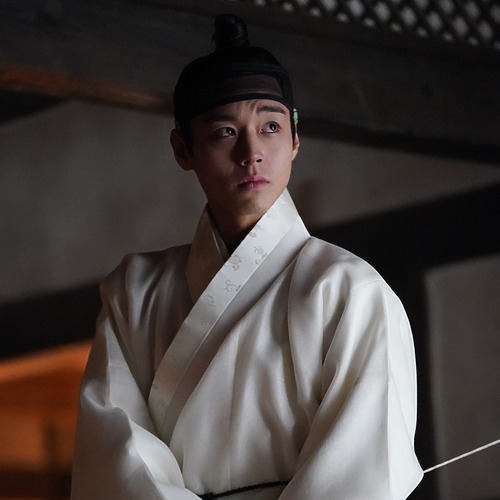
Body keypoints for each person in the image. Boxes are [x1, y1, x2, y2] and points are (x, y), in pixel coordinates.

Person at [71, 13, 423, 499]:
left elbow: (362, 471)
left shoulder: (350, 290)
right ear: (182, 149)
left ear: (295, 139)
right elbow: (115, 454)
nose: (251, 152)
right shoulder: (135, 293)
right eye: (224, 132)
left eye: (270, 126)